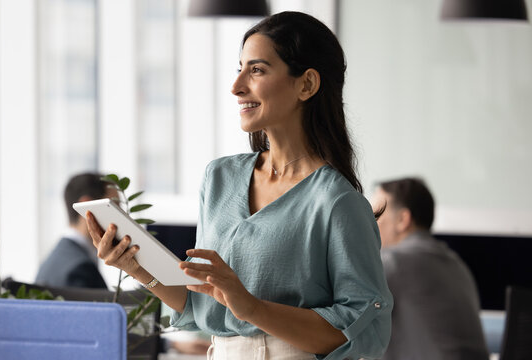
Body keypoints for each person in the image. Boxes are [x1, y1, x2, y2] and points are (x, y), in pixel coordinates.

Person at [87, 11, 392, 359]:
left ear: (306, 84)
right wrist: (136, 268)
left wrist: (251, 307)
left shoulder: (337, 202)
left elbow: (362, 330)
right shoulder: (219, 178)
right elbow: (201, 304)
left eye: (257, 70)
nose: (237, 86)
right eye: (239, 68)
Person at [371, 177, 489, 360]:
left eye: (377, 216)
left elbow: (343, 321)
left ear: (403, 219)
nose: (370, 225)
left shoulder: (393, 262)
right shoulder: (456, 264)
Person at [35, 172, 118, 288]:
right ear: (87, 206)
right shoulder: (80, 269)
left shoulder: (50, 262)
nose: (121, 216)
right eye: (115, 206)